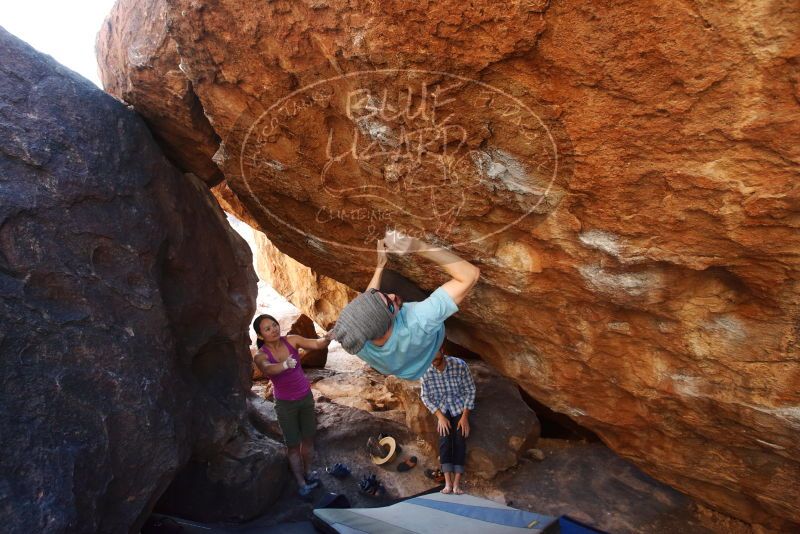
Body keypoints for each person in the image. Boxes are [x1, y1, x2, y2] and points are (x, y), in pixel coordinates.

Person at [329, 232, 479, 380]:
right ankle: (444, 319)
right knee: (390, 281)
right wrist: (418, 246)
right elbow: (470, 275)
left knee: (383, 281)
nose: (392, 296)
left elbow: (367, 312)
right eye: (389, 303)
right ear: (386, 324)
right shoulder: (420, 320)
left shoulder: (355, 340)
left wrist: (380, 265)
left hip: (408, 370)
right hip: (430, 340)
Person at [252, 314, 331, 497]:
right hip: (285, 405)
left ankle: (308, 472)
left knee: (308, 439)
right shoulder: (260, 355)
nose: (274, 330)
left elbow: (316, 344)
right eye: (268, 328)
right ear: (261, 335)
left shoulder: (292, 340)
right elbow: (268, 368)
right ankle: (301, 483)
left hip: (305, 398)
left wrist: (327, 338)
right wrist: (285, 364)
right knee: (293, 445)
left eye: (274, 324)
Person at [420, 347, 476, 495]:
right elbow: (425, 396)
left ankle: (457, 483)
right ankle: (448, 483)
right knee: (444, 441)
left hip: (459, 407)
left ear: (442, 350)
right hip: (442, 408)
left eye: (437, 359)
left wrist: (465, 417)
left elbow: (470, 390)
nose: (434, 363)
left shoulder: (460, 365)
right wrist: (439, 416)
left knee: (460, 439)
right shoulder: (426, 370)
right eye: (431, 360)